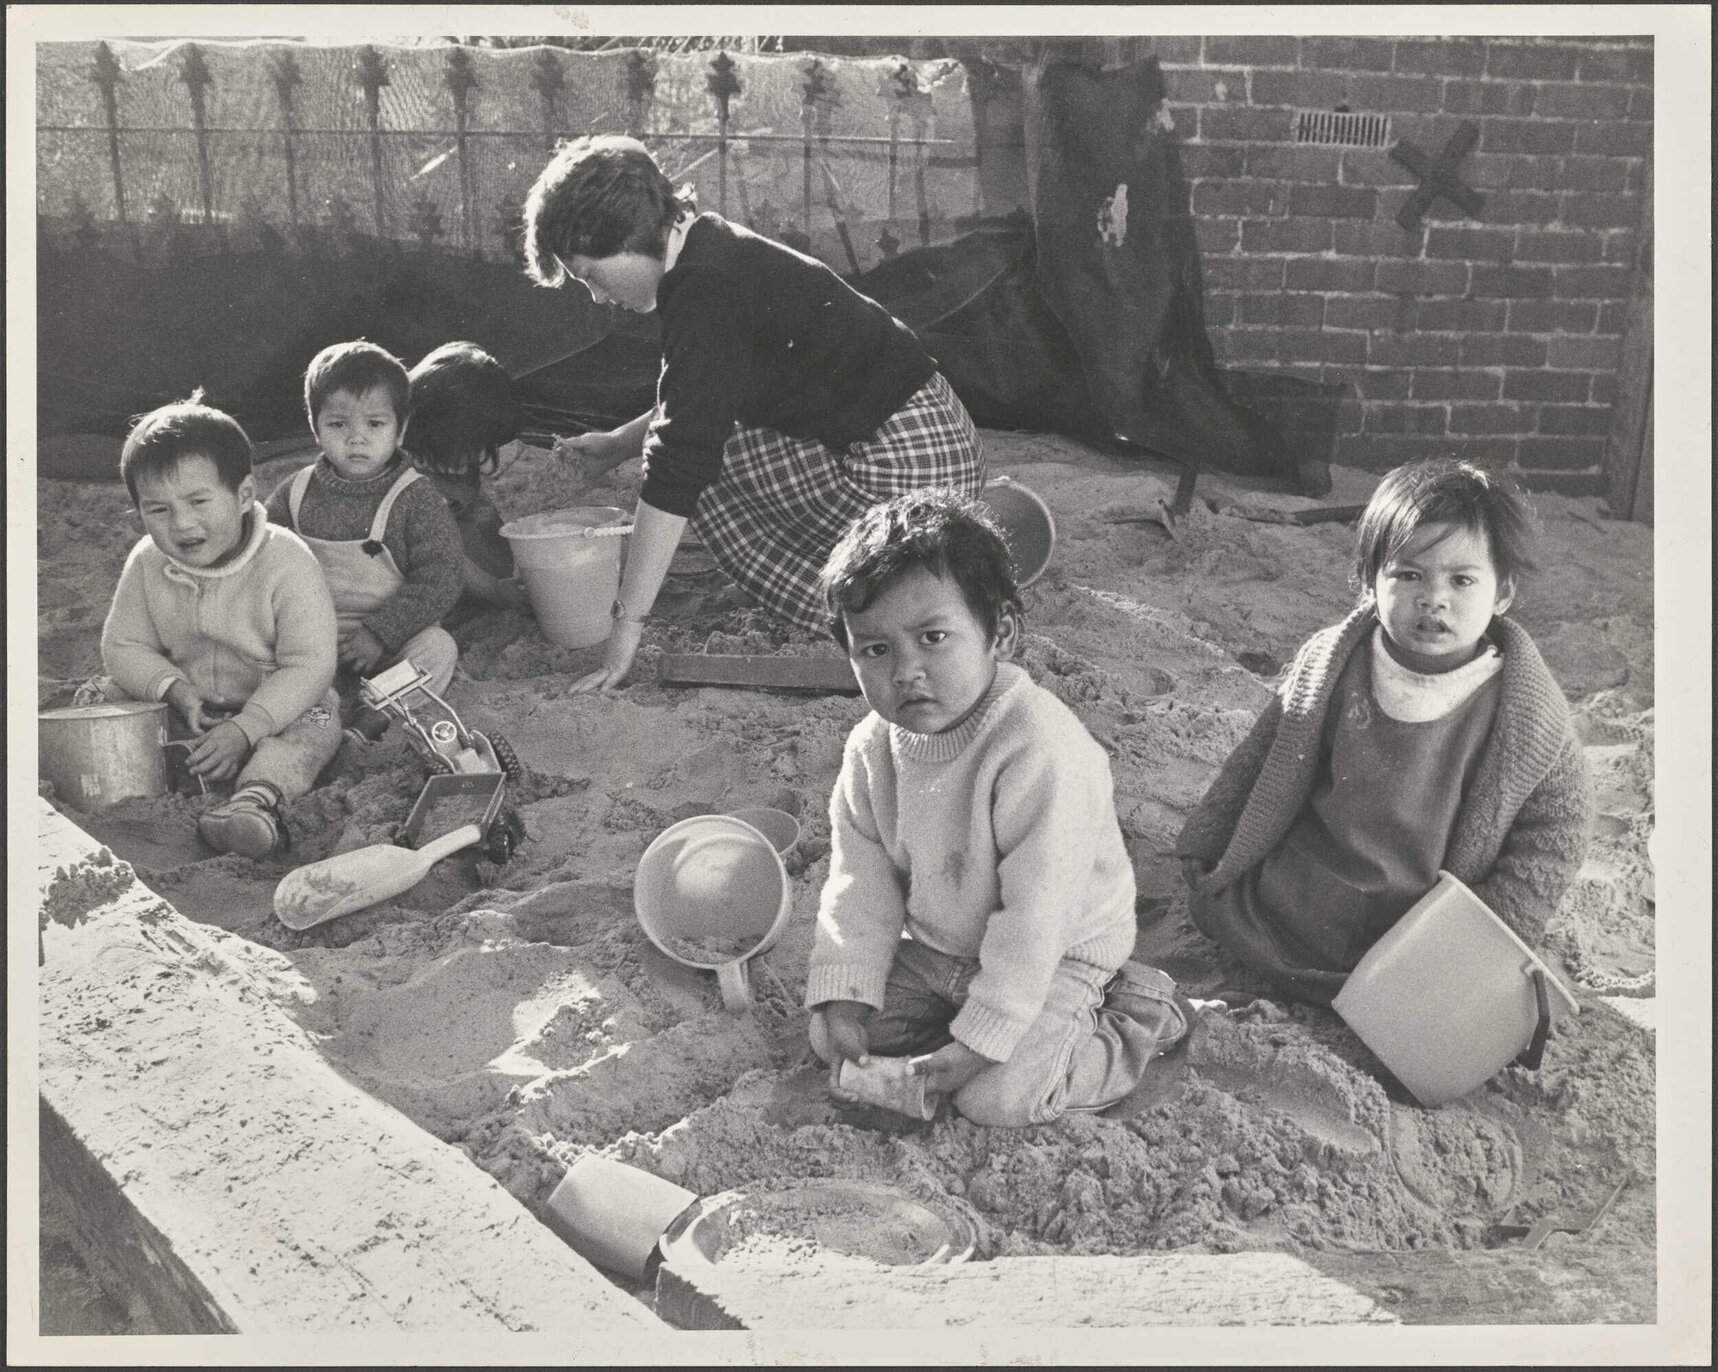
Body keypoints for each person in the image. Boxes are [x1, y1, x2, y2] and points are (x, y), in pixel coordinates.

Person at [520, 134, 986, 693]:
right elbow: (707, 392)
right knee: (700, 442)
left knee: (693, 471)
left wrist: (625, 630)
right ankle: (947, 560)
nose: (597, 297)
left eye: (590, 275)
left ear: (619, 237)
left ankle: (896, 592)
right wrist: (618, 441)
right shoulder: (708, 247)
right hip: (936, 441)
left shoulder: (704, 288)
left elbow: (679, 457)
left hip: (908, 464)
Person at [805, 489, 1190, 1127]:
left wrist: (980, 1046)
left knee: (1000, 1100)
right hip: (942, 947)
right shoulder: (872, 749)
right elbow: (859, 885)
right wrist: (846, 996)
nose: (905, 671)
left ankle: (1137, 1014)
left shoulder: (1040, 748)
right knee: (833, 1042)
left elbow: (1035, 917)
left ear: (1000, 634)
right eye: (873, 650)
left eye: (933, 638)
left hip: (1059, 950)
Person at [1175, 456, 1593, 1006]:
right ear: (1370, 582)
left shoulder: (1526, 711)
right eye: (1409, 575)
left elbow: (1555, 831)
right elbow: (1265, 757)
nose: (1434, 598)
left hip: (1414, 919)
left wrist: (1493, 929)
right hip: (1307, 890)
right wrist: (1208, 836)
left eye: (1462, 580)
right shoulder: (1335, 664)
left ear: (1503, 593)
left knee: (1414, 998)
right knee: (1233, 914)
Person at [97, 394, 340, 857]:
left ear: (244, 495)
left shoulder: (285, 560)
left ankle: (253, 801)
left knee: (320, 723)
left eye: (198, 501)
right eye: (158, 510)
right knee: (103, 693)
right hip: (192, 706)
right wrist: (175, 690)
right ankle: (159, 776)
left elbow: (310, 666)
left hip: (276, 707)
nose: (182, 523)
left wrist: (247, 727)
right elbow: (123, 644)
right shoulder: (148, 561)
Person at [264, 341, 464, 742]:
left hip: (391, 641)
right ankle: (315, 711)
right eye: (338, 425)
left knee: (438, 649)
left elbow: (442, 577)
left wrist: (381, 632)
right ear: (314, 425)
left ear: (400, 428)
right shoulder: (294, 493)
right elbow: (262, 560)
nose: (357, 439)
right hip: (309, 639)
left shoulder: (416, 497)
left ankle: (374, 717)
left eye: (374, 424)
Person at [405, 340, 530, 614]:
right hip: (425, 551)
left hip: (455, 527)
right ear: (437, 431)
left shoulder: (456, 459)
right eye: (472, 446)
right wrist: (494, 590)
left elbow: (482, 510)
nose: (479, 455)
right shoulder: (406, 477)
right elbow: (442, 551)